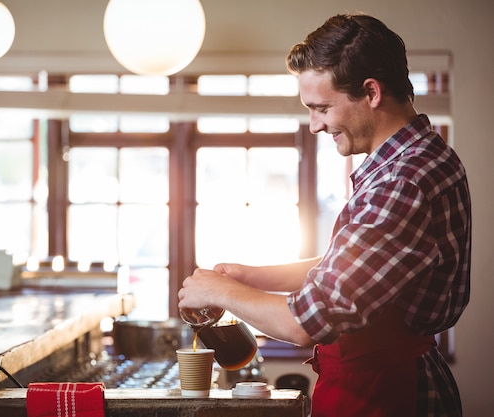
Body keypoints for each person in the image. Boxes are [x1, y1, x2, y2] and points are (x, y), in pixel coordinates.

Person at [178, 13, 470, 417]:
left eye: (321, 108)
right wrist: (251, 277)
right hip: (385, 380)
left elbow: (308, 321)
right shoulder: (417, 158)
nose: (315, 125)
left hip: (387, 393)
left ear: (371, 92)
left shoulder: (402, 181)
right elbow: (357, 270)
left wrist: (219, 292)